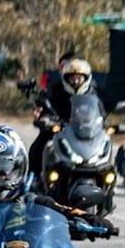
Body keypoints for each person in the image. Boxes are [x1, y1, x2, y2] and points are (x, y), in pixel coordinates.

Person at [28, 54, 95, 184]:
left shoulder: (92, 91)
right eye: (72, 77)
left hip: (83, 133)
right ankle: (33, 179)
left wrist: (102, 122)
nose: (76, 81)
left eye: (79, 78)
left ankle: (105, 183)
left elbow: (99, 111)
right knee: (41, 145)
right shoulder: (55, 89)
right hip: (59, 131)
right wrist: (45, 118)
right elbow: (44, 108)